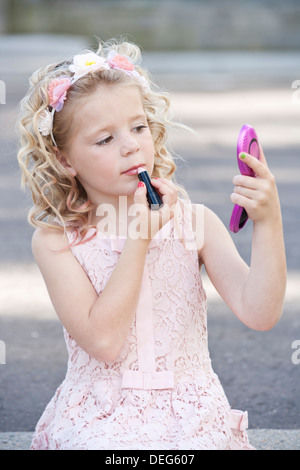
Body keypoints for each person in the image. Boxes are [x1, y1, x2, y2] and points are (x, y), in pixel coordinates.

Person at [17, 39, 286, 450]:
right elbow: (104, 342)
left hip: (191, 415)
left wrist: (269, 220)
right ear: (66, 160)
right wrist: (139, 237)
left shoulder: (195, 223)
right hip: (98, 417)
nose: (130, 145)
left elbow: (260, 313)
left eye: (138, 126)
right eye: (104, 139)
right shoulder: (56, 242)